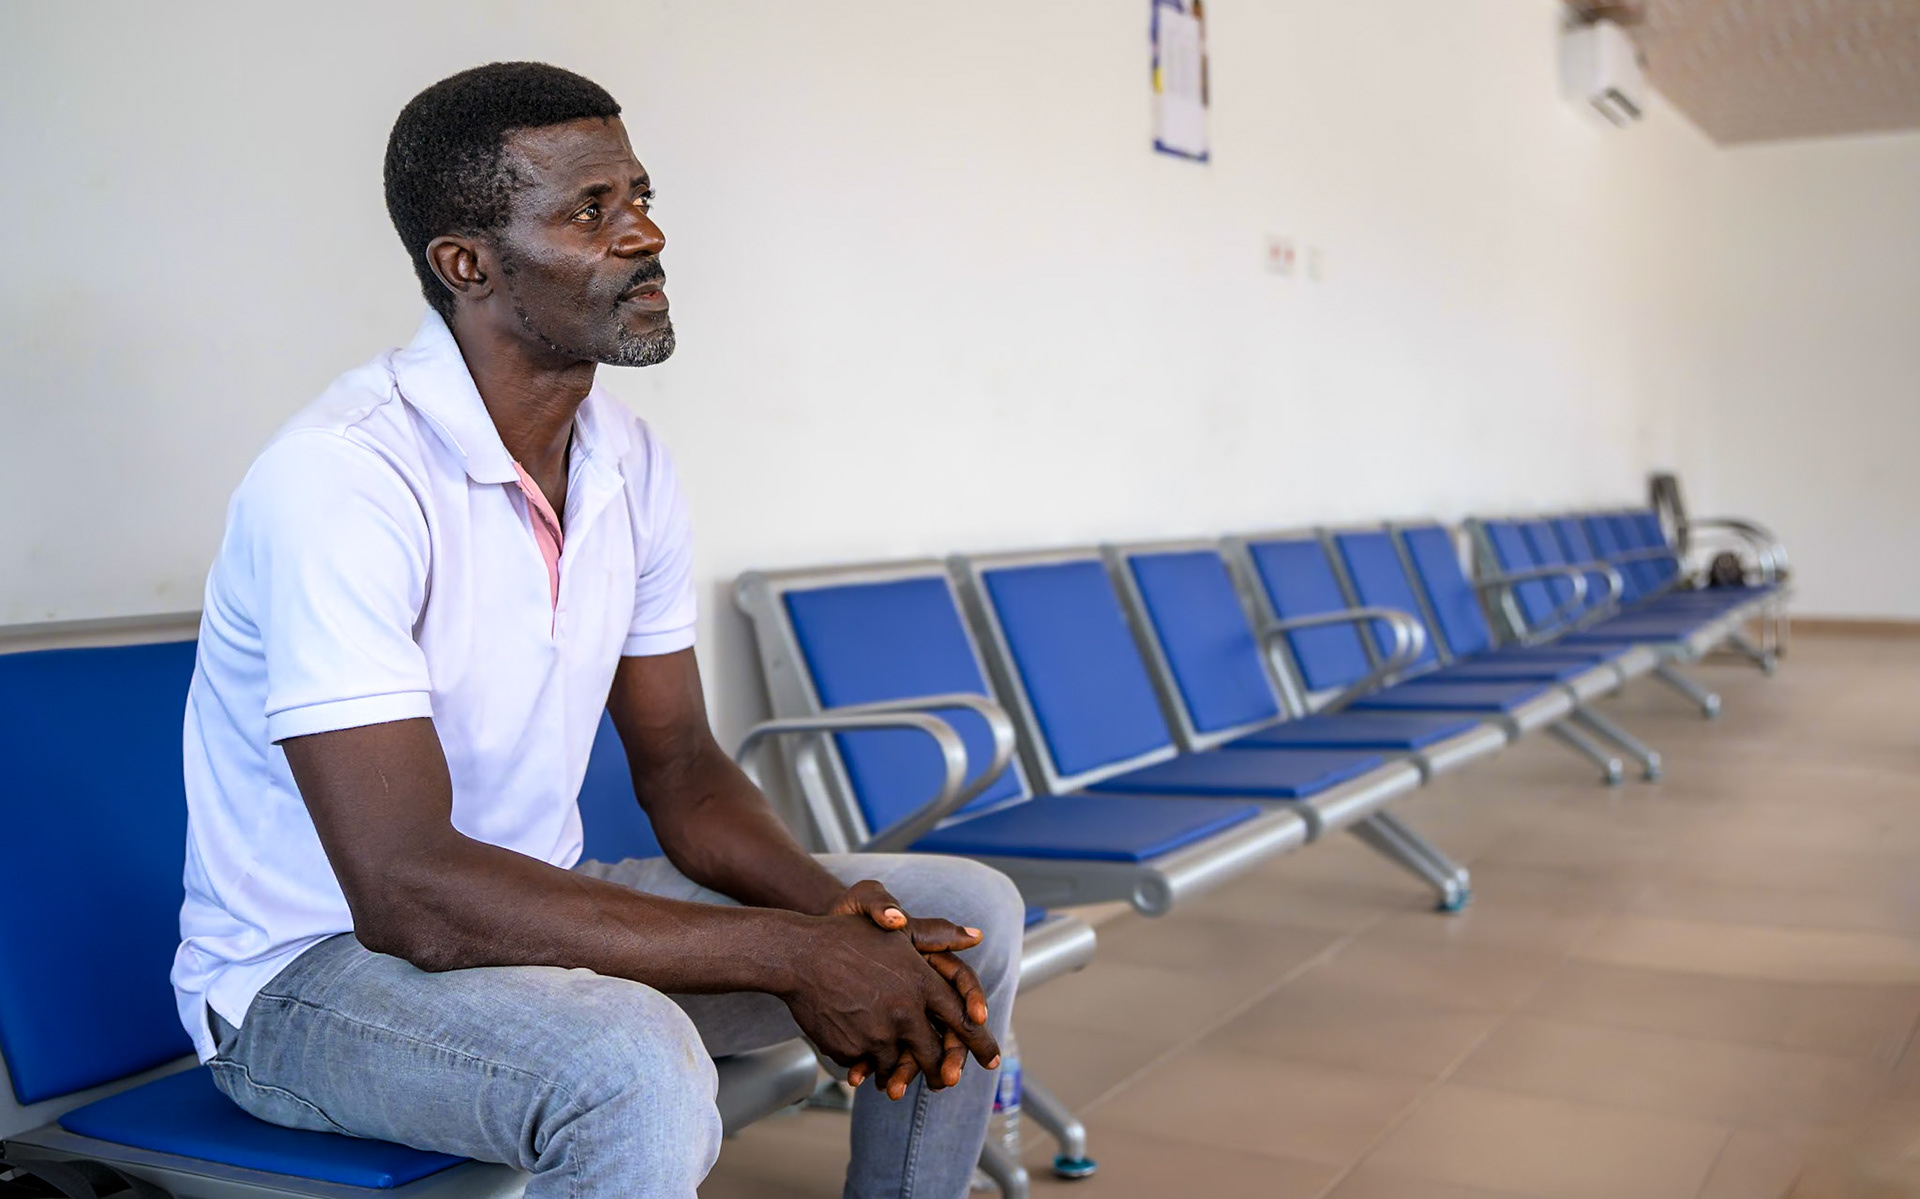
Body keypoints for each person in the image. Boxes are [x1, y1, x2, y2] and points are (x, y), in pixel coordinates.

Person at [171, 61, 1023, 1199]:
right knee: (634, 1061)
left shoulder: (628, 461)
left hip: (531, 918)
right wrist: (789, 950)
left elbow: (682, 768)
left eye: (640, 195)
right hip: (312, 981)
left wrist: (828, 910)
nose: (646, 233)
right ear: (465, 264)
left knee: (959, 915)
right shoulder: (342, 480)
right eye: (592, 210)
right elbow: (408, 889)